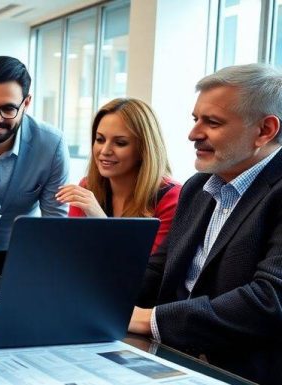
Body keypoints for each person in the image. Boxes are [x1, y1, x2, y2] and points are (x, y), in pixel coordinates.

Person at [129, 64, 282, 384]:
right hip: (171, 359)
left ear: (265, 130)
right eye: (195, 119)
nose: (193, 134)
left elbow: (269, 300)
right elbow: (158, 271)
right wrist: (92, 300)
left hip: (239, 373)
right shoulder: (198, 188)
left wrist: (151, 321)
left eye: (212, 122)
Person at [0, 56, 69, 274]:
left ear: (26, 103)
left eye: (8, 109)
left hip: (18, 255)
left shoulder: (51, 145)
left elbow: (54, 225)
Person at [56, 98, 181, 254]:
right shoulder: (87, 187)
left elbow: (147, 270)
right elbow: (73, 255)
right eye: (100, 139)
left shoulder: (171, 198)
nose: (105, 151)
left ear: (144, 149)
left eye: (120, 143)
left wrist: (101, 221)